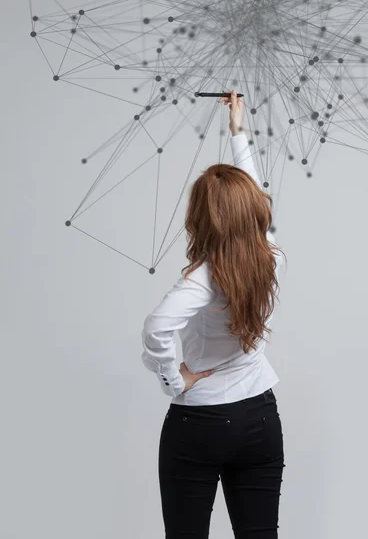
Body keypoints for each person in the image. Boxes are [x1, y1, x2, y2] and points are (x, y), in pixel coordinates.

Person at [141, 90, 286, 538]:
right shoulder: (272, 256)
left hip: (201, 421)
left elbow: (156, 328)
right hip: (260, 416)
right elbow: (254, 191)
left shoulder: (202, 279)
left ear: (202, 217)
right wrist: (238, 132)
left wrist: (172, 378)